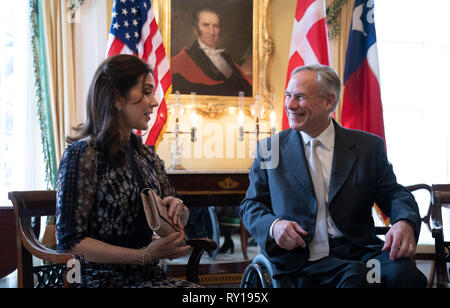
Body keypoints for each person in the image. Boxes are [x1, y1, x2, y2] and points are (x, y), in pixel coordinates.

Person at [240, 64, 428, 288]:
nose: (289, 105)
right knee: (355, 280)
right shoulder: (270, 149)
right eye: (288, 95)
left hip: (359, 253)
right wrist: (274, 226)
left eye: (299, 97)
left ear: (328, 101)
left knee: (407, 276)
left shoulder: (367, 147)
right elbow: (251, 205)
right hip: (300, 260)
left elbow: (396, 194)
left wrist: (404, 221)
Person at [55, 54, 199, 288]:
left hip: (149, 277)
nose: (154, 101)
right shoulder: (84, 155)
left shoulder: (147, 156)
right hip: (99, 281)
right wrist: (144, 255)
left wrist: (177, 208)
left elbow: (178, 215)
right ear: (116, 97)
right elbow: (70, 243)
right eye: (146, 91)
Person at [171, 7, 252, 97]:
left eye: (215, 26)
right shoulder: (183, 60)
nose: (211, 32)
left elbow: (246, 88)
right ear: (195, 29)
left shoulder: (226, 58)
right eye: (206, 25)